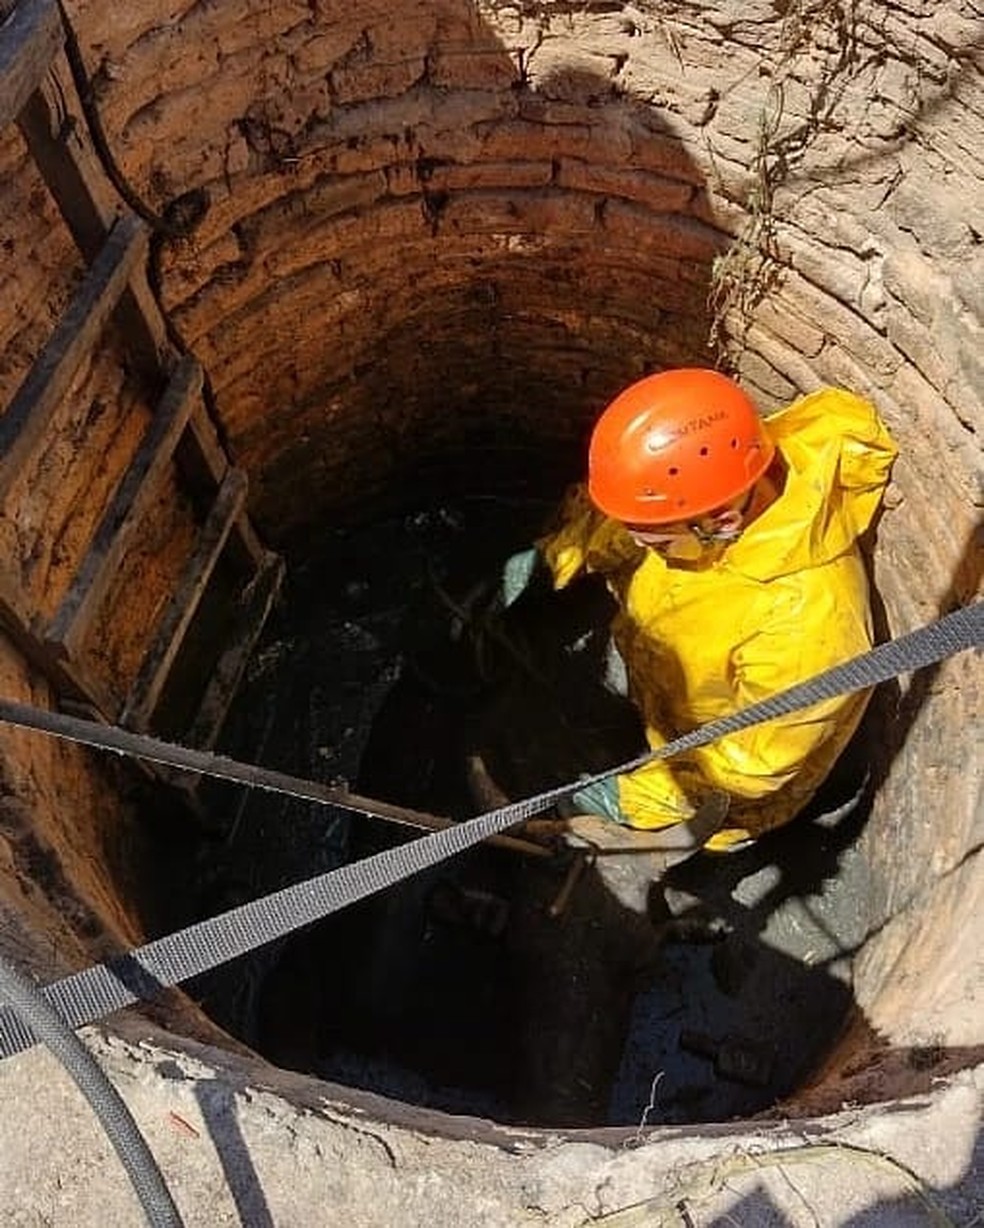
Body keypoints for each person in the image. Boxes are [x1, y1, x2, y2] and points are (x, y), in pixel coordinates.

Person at [500, 367, 898, 854]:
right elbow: (628, 529)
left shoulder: (808, 627)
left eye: (656, 541)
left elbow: (748, 768)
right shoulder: (713, 487)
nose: (640, 544)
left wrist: (628, 801)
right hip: (667, 689)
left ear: (723, 522)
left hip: (726, 790)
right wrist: (554, 560)